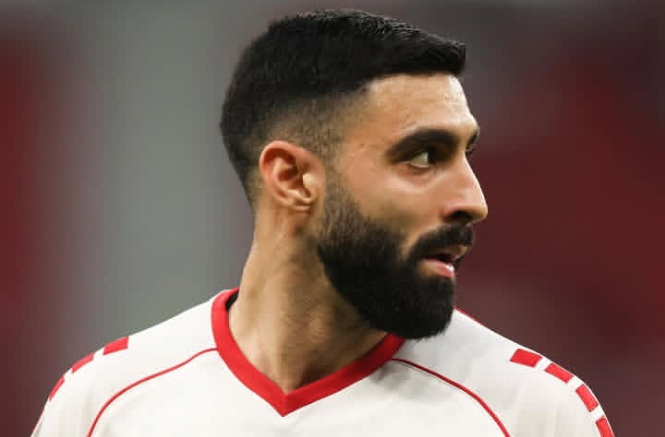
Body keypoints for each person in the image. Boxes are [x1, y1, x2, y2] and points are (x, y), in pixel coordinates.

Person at [31, 9, 614, 437]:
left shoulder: (534, 413)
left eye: (467, 154)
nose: (473, 199)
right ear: (292, 178)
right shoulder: (101, 407)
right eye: (423, 157)